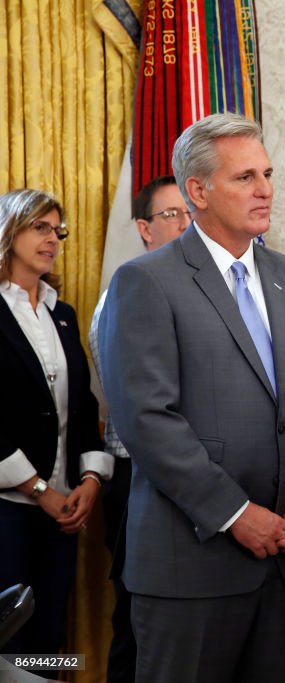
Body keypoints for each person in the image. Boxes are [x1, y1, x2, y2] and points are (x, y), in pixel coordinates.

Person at [98, 113, 285, 683]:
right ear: (198, 191)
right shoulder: (146, 281)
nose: (265, 189)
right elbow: (147, 420)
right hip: (191, 568)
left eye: (266, 173)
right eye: (244, 178)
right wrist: (235, 513)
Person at [0, 188, 113, 655]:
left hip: (65, 507)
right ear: (9, 232)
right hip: (8, 506)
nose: (53, 240)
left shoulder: (61, 313)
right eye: (40, 228)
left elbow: (83, 407)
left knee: (48, 637)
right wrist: (38, 490)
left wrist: (90, 479)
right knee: (9, 639)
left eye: (58, 231)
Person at [88, 174, 189, 683]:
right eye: (172, 215)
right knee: (139, 619)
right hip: (141, 478)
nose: (185, 225)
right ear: (145, 229)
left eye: (191, 214)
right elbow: (140, 407)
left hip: (191, 478)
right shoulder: (129, 293)